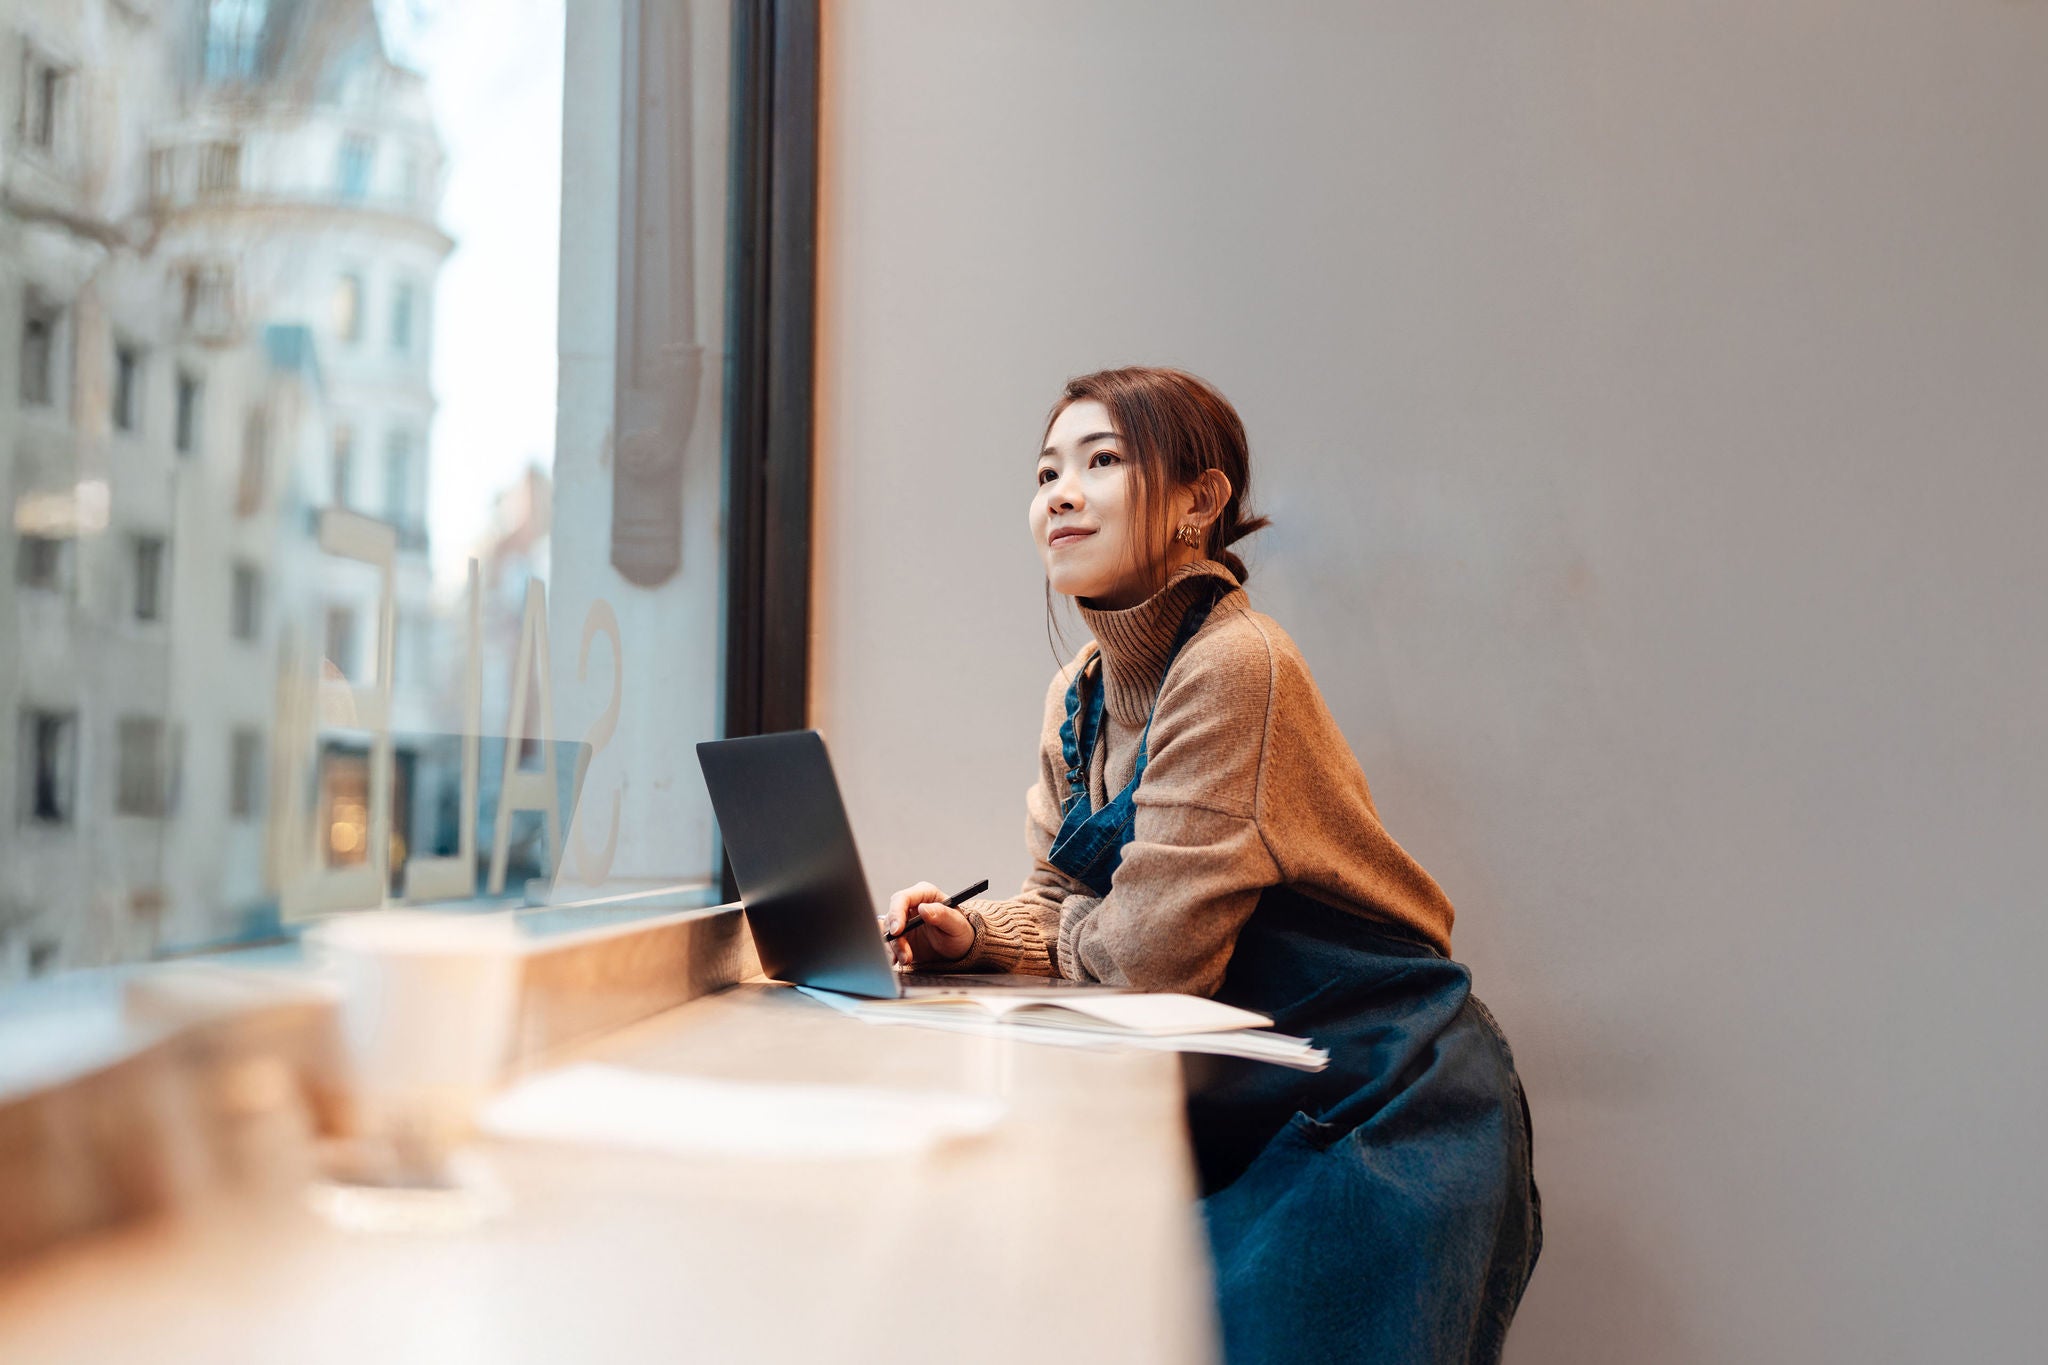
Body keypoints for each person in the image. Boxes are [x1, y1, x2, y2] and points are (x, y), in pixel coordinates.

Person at [883, 366, 1541, 1364]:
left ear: (1200, 501)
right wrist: (968, 936)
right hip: (1251, 1088)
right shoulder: (1081, 693)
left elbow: (1147, 963)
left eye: (1101, 461)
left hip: (1377, 1092)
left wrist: (1044, 941)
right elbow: (1068, 906)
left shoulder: (1237, 665)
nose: (1058, 493)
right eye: (1046, 470)